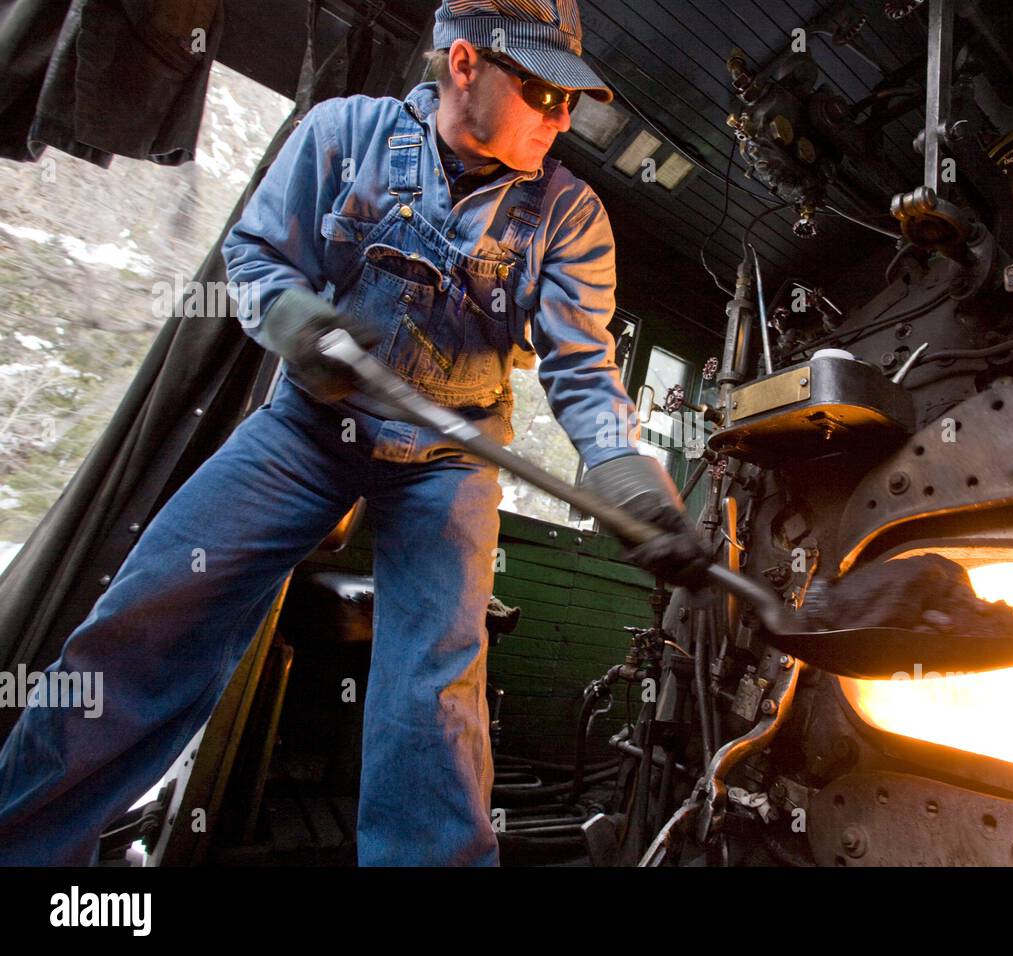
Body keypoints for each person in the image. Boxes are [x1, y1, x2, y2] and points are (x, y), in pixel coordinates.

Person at [0, 0, 709, 867]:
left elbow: (582, 367)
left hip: (448, 458)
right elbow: (256, 258)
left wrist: (624, 468)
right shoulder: (344, 134)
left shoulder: (568, 217)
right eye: (541, 94)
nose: (562, 120)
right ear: (463, 66)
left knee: (435, 693)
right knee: (151, 617)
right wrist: (296, 316)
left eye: (572, 102)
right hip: (307, 430)